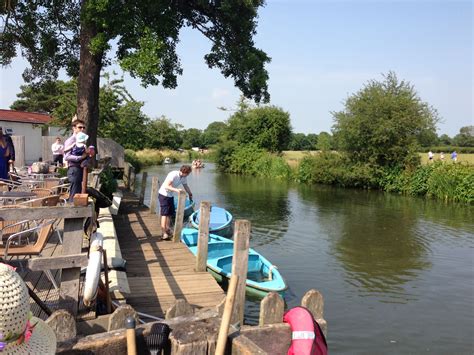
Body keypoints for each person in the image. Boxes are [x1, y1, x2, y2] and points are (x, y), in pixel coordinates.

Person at [158, 165, 193, 240]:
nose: (188, 175)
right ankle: (163, 233)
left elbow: (186, 186)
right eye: (188, 173)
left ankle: (167, 230)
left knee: (170, 213)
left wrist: (190, 193)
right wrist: (177, 190)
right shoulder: (173, 174)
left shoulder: (183, 177)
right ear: (184, 172)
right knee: (164, 214)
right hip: (164, 195)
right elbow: (166, 186)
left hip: (170, 195)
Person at [64, 119, 89, 202]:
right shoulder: (71, 140)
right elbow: (66, 157)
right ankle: (72, 213)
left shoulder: (81, 140)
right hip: (74, 168)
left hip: (80, 168)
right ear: (74, 128)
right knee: (74, 195)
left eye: (83, 127)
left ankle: (77, 213)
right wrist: (81, 157)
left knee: (78, 193)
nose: (82, 129)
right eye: (79, 127)